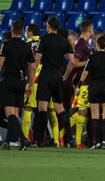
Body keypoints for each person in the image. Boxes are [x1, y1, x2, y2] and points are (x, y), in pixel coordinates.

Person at [34, 17, 83, 147]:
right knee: (59, 107)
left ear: (48, 25)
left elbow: (37, 60)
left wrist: (31, 77)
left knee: (42, 108)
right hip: (57, 76)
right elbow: (72, 63)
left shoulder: (44, 39)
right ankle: (71, 139)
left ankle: (39, 140)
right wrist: (65, 75)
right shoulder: (64, 41)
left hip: (45, 75)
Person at [0, 19, 36, 150]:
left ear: (11, 30)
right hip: (21, 82)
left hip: (9, 80)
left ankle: (23, 139)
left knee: (9, 112)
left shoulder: (6, 45)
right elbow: (32, 67)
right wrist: (30, 85)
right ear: (22, 32)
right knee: (15, 113)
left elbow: (0, 64)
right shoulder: (26, 46)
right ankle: (8, 142)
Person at [77, 35, 105, 149]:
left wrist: (79, 86)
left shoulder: (92, 57)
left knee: (94, 116)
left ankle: (95, 142)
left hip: (94, 87)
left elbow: (85, 73)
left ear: (97, 45)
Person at [64, 20, 93, 148]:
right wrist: (89, 63)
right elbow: (75, 62)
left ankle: (63, 134)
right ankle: (77, 141)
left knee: (79, 110)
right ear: (89, 30)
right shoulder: (82, 44)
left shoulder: (83, 43)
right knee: (82, 111)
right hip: (83, 82)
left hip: (82, 81)